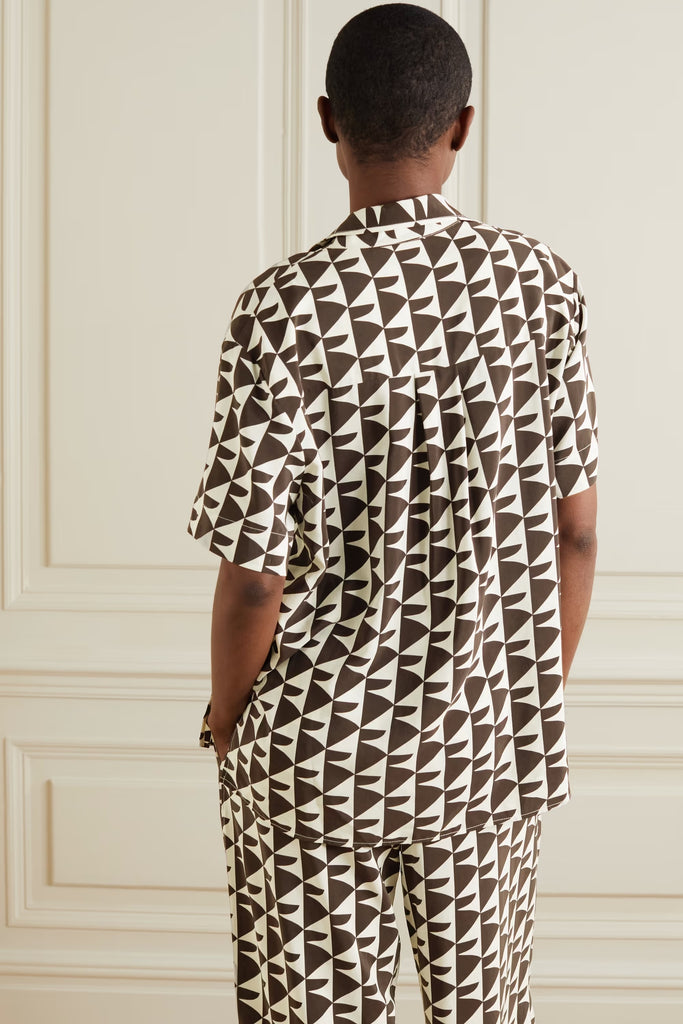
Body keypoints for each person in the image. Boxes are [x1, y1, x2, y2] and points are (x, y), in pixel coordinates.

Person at [186, 4, 599, 1022]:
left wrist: (230, 718)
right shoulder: (539, 287)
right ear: (462, 126)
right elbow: (575, 531)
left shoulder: (282, 306)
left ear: (328, 121)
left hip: (315, 751)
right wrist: (511, 690)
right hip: (481, 741)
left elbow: (253, 577)